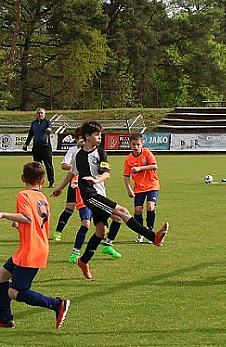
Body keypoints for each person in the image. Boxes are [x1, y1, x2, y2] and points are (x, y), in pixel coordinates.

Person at [51, 120, 169, 280]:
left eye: (100, 134)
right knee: (123, 212)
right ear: (87, 136)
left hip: (98, 192)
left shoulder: (101, 153)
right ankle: (153, 237)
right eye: (97, 135)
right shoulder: (79, 155)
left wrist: (96, 180)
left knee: (101, 232)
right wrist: (61, 187)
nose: (100, 137)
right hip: (89, 195)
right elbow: (72, 172)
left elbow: (106, 173)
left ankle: (83, 261)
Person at [0, 161, 70, 329]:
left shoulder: (24, 195)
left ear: (22, 178)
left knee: (15, 291)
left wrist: (3, 214)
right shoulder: (42, 197)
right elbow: (34, 221)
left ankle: (56, 304)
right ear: (43, 181)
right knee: (1, 276)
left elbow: (27, 218)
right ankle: (5, 319)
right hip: (32, 246)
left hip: (32, 248)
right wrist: (19, 224)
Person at [68, 177, 122, 263]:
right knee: (85, 225)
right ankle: (75, 253)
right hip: (85, 201)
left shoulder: (99, 169)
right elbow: (75, 178)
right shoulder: (83, 170)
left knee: (117, 218)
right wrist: (75, 183)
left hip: (99, 201)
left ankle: (108, 245)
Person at [123, 133, 160, 243]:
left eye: (138, 144)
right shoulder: (128, 159)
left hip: (152, 184)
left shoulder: (146, 152)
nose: (135, 146)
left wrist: (140, 168)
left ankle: (149, 231)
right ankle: (140, 232)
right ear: (130, 144)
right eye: (133, 144)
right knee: (138, 210)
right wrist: (129, 189)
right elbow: (126, 176)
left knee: (150, 206)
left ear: (142, 144)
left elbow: (155, 166)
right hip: (139, 187)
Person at [53, 128, 82, 241]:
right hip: (75, 182)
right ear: (76, 139)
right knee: (69, 209)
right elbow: (64, 165)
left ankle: (106, 230)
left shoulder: (92, 150)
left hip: (90, 183)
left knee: (96, 207)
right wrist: (77, 167)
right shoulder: (73, 150)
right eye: (81, 138)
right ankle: (58, 232)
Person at [23, 107, 55, 188]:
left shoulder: (47, 122)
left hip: (45, 147)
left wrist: (49, 129)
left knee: (48, 165)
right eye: (38, 113)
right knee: (36, 167)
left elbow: (50, 128)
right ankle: (36, 182)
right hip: (36, 147)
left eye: (41, 113)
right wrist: (26, 144)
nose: (40, 114)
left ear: (44, 114)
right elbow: (30, 134)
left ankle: (51, 181)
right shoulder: (34, 123)